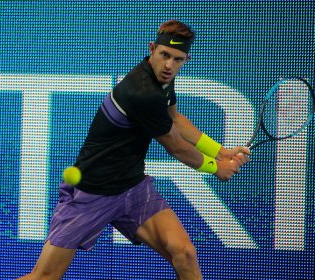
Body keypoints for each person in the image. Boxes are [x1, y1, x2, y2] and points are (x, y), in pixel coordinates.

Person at [18, 19, 250, 280]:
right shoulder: (142, 92)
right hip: (93, 193)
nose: (169, 65)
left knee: (184, 253)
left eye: (177, 59)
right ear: (152, 49)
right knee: (44, 277)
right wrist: (216, 167)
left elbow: (175, 120)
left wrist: (221, 152)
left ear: (186, 59)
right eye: (164, 55)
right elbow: (175, 146)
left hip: (133, 188)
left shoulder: (163, 80)